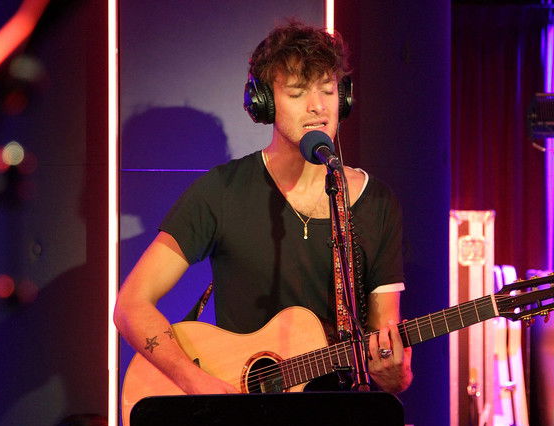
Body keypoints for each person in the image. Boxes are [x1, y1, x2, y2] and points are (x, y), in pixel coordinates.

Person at [113, 21, 412, 395]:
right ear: (265, 103)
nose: (318, 107)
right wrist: (194, 380)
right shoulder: (222, 191)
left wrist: (393, 373)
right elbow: (131, 305)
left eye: (328, 90)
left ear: (344, 98)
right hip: (240, 417)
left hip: (339, 417)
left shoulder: (376, 202)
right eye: (297, 92)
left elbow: (389, 355)